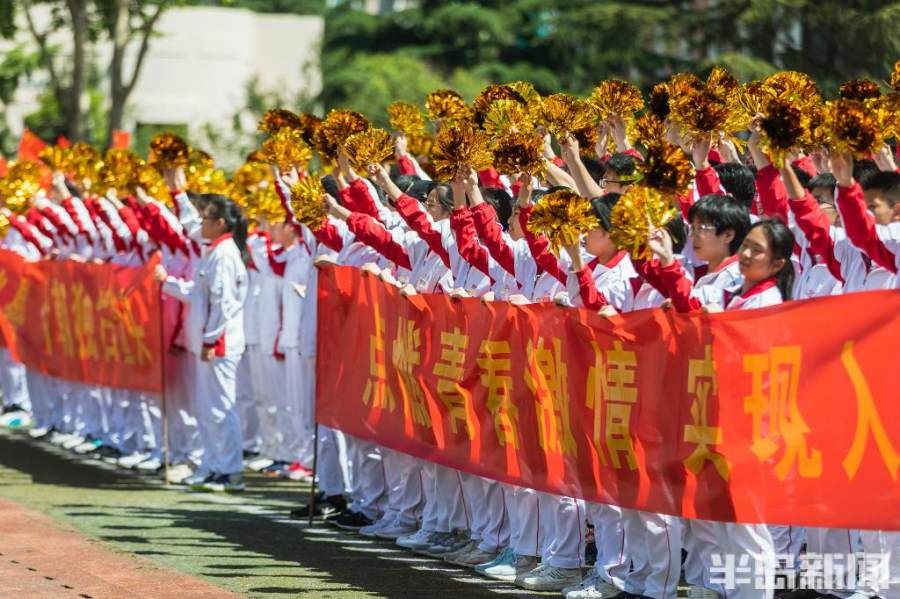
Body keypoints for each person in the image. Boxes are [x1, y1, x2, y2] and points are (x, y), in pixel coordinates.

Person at [157, 195, 249, 492]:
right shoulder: (213, 251)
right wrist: (166, 282)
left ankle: (230, 470)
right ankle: (213, 464)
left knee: (221, 407)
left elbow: (223, 304)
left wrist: (212, 339)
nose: (202, 225)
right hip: (208, 342)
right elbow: (198, 294)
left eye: (207, 219)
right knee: (207, 408)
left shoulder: (224, 255)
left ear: (220, 223)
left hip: (219, 344)